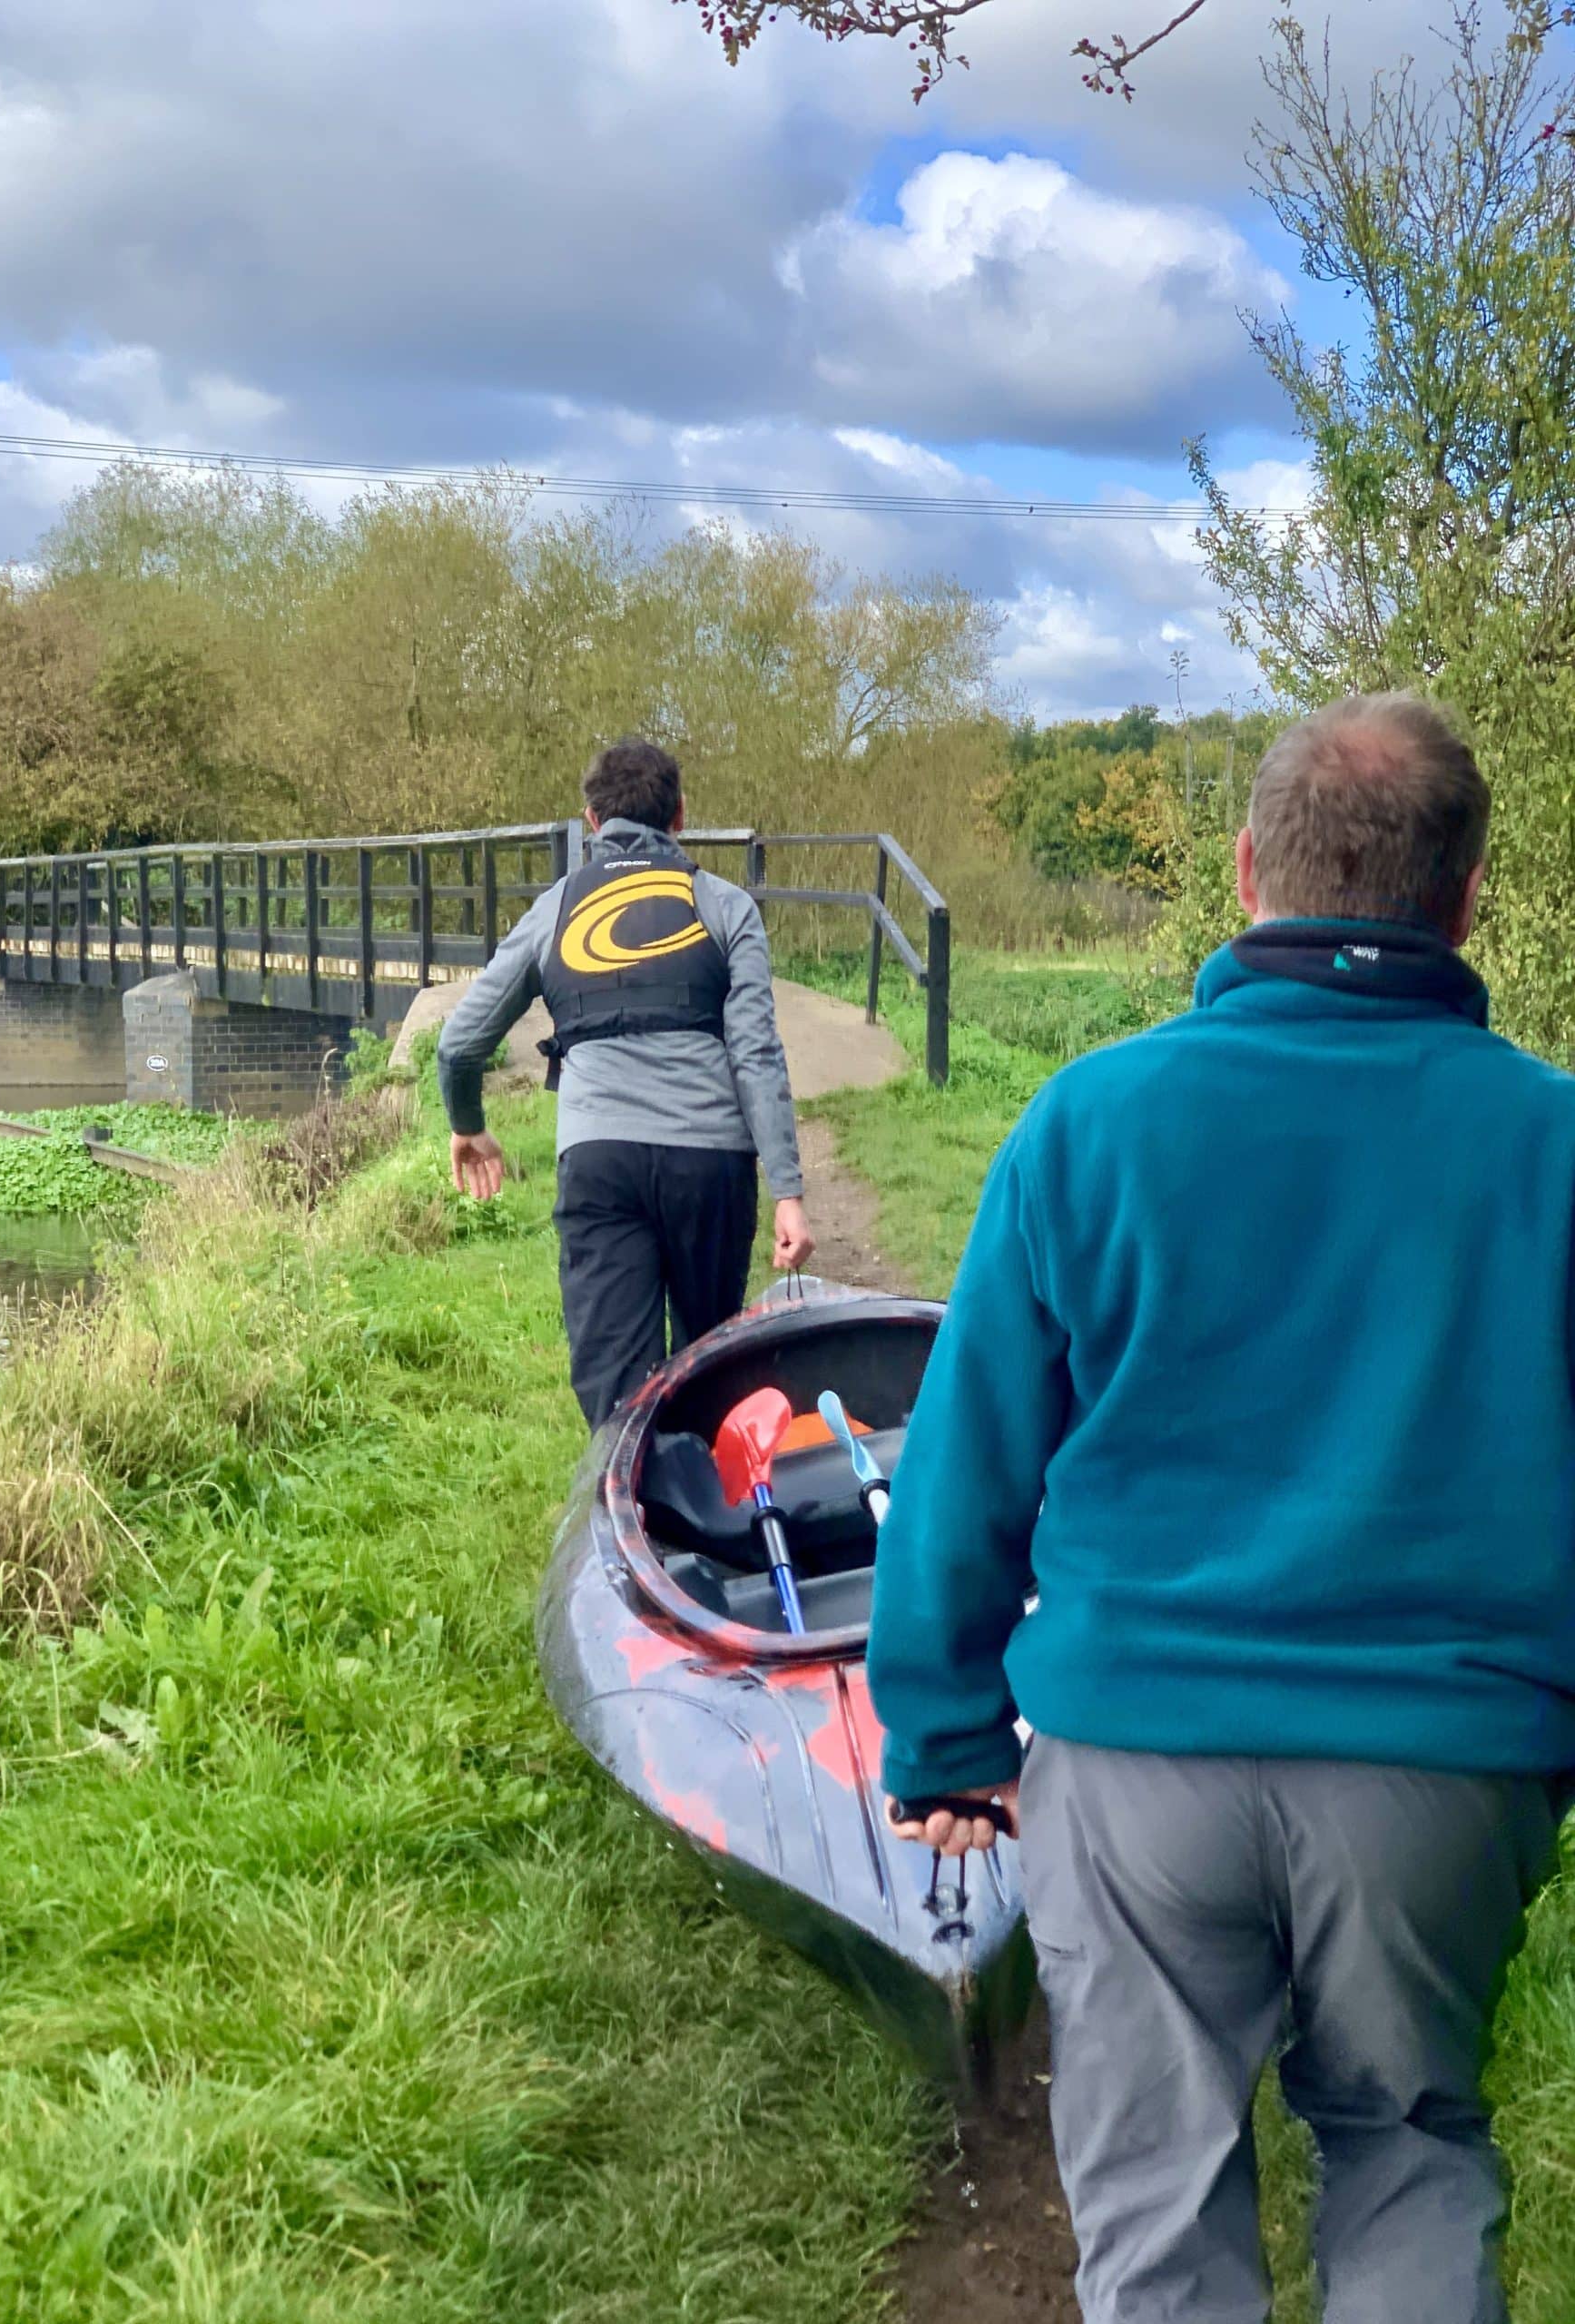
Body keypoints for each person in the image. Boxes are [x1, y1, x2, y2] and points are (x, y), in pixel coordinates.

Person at [868, 694, 1574, 2324]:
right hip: (1442, 1778)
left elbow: (970, 1460)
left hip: (1134, 1772)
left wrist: (945, 1733)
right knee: (1407, 2151)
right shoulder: (1554, 1144)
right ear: (1466, 894)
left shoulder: (1090, 1123)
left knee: (1156, 2205)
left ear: (1249, 871)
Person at [438, 736, 814, 1427]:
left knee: (618, 1393)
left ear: (591, 822)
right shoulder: (726, 907)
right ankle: (717, 1508)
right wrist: (788, 1193)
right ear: (680, 817)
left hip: (599, 1161)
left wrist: (467, 1125)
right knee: (711, 1366)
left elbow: (460, 1042)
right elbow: (757, 1054)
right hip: (712, 1165)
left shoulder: (556, 908)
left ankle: (633, 1518)